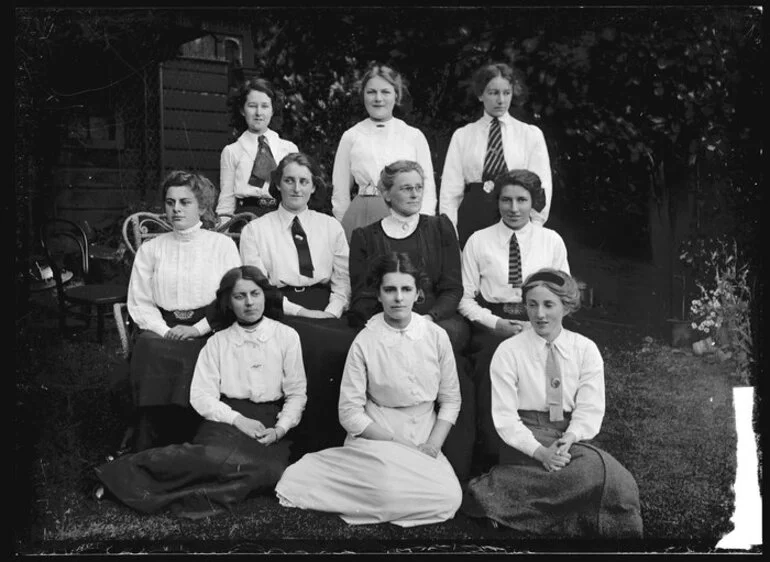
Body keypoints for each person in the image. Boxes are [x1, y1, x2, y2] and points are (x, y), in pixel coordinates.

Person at [94, 266, 308, 519]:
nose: (249, 302)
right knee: (214, 458)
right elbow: (201, 396)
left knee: (270, 471)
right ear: (228, 302)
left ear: (265, 296)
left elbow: (296, 393)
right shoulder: (218, 342)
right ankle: (119, 474)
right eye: (240, 296)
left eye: (255, 294)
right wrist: (239, 420)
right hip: (227, 417)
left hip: (270, 420)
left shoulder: (286, 336)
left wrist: (280, 429)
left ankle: (164, 495)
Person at [275, 253, 463, 527]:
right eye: (390, 290)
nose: (398, 298)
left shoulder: (436, 336)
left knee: (449, 498)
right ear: (378, 294)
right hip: (380, 436)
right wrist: (398, 445)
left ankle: (383, 500)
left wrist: (432, 446)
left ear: (418, 294)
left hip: (425, 433)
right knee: (388, 487)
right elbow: (350, 413)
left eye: (406, 289)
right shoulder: (366, 340)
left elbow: (450, 400)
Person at [462, 269, 643, 539]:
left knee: (608, 476)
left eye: (549, 305)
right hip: (525, 439)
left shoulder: (585, 349)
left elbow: (590, 408)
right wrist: (541, 453)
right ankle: (505, 493)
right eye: (532, 305)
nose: (539, 314)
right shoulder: (509, 352)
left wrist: (570, 437)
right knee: (602, 475)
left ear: (566, 307)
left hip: (570, 439)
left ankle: (502, 493)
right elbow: (506, 419)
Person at [348, 160, 476, 481]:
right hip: (385, 317)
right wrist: (391, 320)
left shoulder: (440, 227)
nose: (415, 194)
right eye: (406, 188)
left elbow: (452, 287)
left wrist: (428, 319)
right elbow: (362, 295)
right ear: (386, 194)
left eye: (419, 187)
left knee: (452, 364)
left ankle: (454, 458)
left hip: (438, 320)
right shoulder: (365, 236)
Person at [240, 152, 355, 456]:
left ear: (313, 187)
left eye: (304, 181)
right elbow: (259, 286)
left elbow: (343, 280)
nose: (296, 188)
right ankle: (306, 441)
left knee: (349, 344)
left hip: (326, 304)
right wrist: (303, 312)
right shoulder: (256, 230)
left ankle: (340, 439)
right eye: (289, 180)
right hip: (280, 307)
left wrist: (331, 311)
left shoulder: (330, 227)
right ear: (277, 183)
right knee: (313, 345)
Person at [458, 168, 570, 472]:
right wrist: (497, 325)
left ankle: (552, 446)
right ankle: (493, 457)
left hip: (541, 322)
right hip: (494, 325)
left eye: (522, 199)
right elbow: (464, 298)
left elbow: (564, 294)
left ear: (534, 202)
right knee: (493, 367)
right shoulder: (478, 241)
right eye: (506, 200)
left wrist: (537, 325)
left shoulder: (551, 241)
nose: (514, 208)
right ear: (497, 202)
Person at [126, 170, 242, 451]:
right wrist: (165, 331)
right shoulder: (152, 249)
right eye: (170, 202)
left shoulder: (222, 245)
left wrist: (198, 328)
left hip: (210, 325)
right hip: (161, 328)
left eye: (185, 202)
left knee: (203, 354)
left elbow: (232, 296)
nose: (175, 209)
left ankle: (193, 438)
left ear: (202, 206)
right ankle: (148, 440)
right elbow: (140, 300)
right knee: (150, 349)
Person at [439, 62, 552, 248]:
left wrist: (535, 225)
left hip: (515, 215)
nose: (501, 100)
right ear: (480, 94)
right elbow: (450, 190)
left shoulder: (529, 134)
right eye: (493, 93)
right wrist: (450, 232)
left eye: (506, 93)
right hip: (474, 217)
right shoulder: (464, 135)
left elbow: (542, 185)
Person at [331, 64, 437, 241]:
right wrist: (344, 226)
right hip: (363, 216)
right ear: (363, 95)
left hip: (405, 217)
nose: (378, 98)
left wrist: (422, 225)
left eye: (385, 92)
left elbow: (428, 189)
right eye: (371, 92)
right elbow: (340, 192)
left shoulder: (413, 136)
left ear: (396, 95)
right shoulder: (351, 136)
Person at [216, 78, 299, 218]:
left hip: (280, 216)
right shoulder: (232, 151)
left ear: (273, 110)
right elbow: (227, 199)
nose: (258, 112)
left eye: (265, 106)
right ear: (242, 110)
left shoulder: (288, 149)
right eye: (252, 106)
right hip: (246, 217)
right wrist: (224, 233)